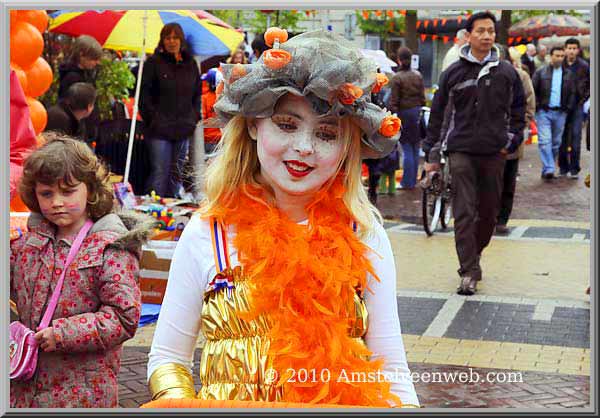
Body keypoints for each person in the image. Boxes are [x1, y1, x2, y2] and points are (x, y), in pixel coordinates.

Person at [147, 28, 419, 408]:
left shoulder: (364, 234)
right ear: (255, 125)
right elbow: (168, 359)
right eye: (287, 125)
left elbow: (391, 369)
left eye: (326, 134)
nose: (303, 148)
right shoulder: (208, 231)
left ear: (346, 148)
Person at [10, 135, 153, 407]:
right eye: (46, 193)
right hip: (25, 389)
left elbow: (123, 317)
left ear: (90, 190)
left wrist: (63, 333)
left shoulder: (110, 246)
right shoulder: (28, 243)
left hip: (83, 392)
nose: (57, 202)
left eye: (68, 191)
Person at [422, 12, 526, 296]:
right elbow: (439, 115)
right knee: (465, 212)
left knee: (490, 214)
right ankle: (467, 271)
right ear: (468, 36)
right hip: (460, 150)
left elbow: (519, 111)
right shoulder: (452, 73)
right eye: (480, 31)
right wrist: (432, 155)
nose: (486, 36)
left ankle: (474, 257)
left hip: (495, 151)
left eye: (490, 31)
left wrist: (511, 139)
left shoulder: (507, 72)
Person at [139, 22, 202, 198]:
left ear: (181, 40)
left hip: (183, 128)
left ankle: (173, 214)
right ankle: (152, 212)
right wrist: (153, 119)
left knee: (177, 174)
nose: (172, 41)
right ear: (162, 40)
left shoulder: (190, 64)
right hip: (159, 130)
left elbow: (197, 94)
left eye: (175, 37)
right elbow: (144, 97)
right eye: (168, 37)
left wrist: (193, 118)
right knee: (160, 173)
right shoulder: (153, 63)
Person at [496, 47, 536, 235]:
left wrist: (519, 127)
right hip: (487, 139)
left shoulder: (521, 77)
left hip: (512, 136)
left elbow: (529, 104)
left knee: (508, 179)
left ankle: (502, 219)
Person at [531, 46, 576, 180]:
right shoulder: (541, 72)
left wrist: (568, 108)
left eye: (562, 56)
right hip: (544, 111)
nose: (560, 58)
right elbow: (533, 90)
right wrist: (537, 107)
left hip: (561, 112)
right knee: (545, 140)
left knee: (556, 142)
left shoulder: (568, 74)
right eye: (557, 55)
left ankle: (547, 167)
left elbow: (573, 92)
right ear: (551, 56)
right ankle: (549, 168)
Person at [389, 47, 426, 190]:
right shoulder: (418, 75)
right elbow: (423, 99)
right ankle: (413, 181)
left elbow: (394, 102)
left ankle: (407, 182)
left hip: (404, 115)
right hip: (417, 113)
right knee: (415, 148)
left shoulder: (397, 78)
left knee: (407, 149)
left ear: (399, 60)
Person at [58, 35, 103, 143]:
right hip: (79, 134)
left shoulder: (85, 74)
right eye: (93, 58)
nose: (96, 62)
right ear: (82, 55)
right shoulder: (72, 78)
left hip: (85, 131)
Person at [558, 38, 590, 179]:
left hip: (577, 106)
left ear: (578, 50)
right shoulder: (559, 64)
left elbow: (590, 84)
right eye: (569, 48)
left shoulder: (584, 66)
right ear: (565, 49)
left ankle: (574, 169)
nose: (571, 51)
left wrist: (583, 99)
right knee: (561, 138)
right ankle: (563, 168)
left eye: (574, 48)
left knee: (576, 138)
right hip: (562, 106)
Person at [200, 68, 222, 154]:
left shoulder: (204, 98)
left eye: (207, 81)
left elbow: (202, 120)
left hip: (209, 139)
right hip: (223, 139)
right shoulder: (225, 96)